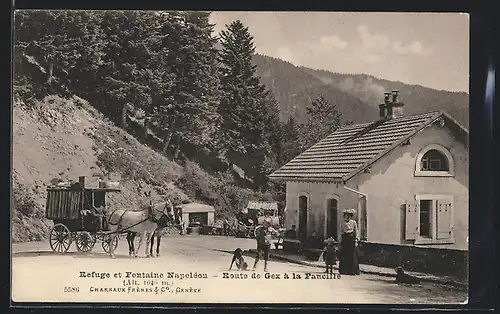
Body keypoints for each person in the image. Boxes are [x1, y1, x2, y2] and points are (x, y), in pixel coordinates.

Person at [338, 208, 360, 275]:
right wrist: (339, 241)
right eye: (346, 215)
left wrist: (356, 240)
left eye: (349, 215)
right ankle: (344, 270)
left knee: (352, 256)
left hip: (351, 240)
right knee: (344, 255)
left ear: (351, 216)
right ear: (344, 216)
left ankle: (352, 271)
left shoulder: (353, 222)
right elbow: (340, 231)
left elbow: (356, 231)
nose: (347, 216)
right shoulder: (342, 222)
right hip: (345, 240)